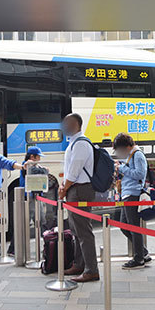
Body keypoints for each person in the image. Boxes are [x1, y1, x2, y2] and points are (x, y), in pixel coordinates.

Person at [59, 113, 99, 283]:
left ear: (76, 124)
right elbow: (69, 169)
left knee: (83, 231)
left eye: (67, 123)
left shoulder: (81, 143)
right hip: (74, 189)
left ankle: (91, 270)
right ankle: (79, 264)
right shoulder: (73, 143)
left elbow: (75, 171)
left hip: (80, 190)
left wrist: (64, 188)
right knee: (76, 229)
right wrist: (64, 185)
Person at [113, 132, 150, 270]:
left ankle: (139, 258)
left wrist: (122, 168)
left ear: (127, 146)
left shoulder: (137, 155)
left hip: (133, 193)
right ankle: (143, 252)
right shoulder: (130, 155)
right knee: (124, 225)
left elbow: (140, 174)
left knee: (133, 227)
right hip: (127, 193)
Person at [6, 146, 48, 255]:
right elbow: (41, 172)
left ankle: (47, 247)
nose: (39, 158)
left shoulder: (32, 164)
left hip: (35, 196)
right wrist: (45, 170)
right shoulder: (27, 165)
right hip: (28, 198)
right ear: (32, 156)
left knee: (40, 222)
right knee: (27, 223)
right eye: (38, 156)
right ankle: (13, 249)